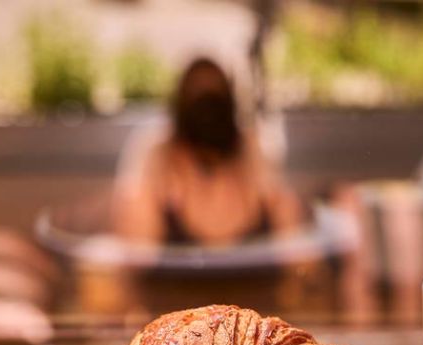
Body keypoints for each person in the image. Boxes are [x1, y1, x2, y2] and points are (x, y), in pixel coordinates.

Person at [113, 58, 304, 245]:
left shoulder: (253, 151)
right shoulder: (158, 153)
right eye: (199, 98)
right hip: (175, 276)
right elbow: (137, 252)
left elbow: (291, 238)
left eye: (214, 98)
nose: (207, 116)